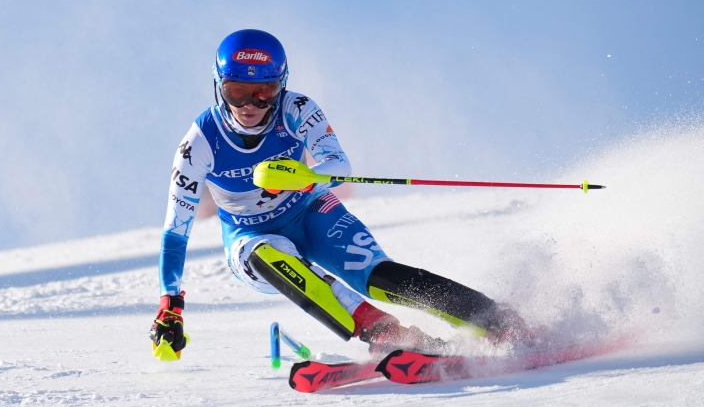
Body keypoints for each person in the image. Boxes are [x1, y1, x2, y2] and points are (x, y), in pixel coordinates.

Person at [149, 29, 528, 362]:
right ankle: (384, 332)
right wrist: (171, 306)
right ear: (219, 86)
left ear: (280, 86)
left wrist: (304, 178)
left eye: (263, 92)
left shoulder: (297, 108)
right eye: (237, 92)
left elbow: (338, 165)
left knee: (378, 277)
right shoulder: (200, 141)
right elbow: (175, 231)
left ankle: (499, 322)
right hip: (250, 237)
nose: (250, 106)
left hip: (311, 212)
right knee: (267, 255)